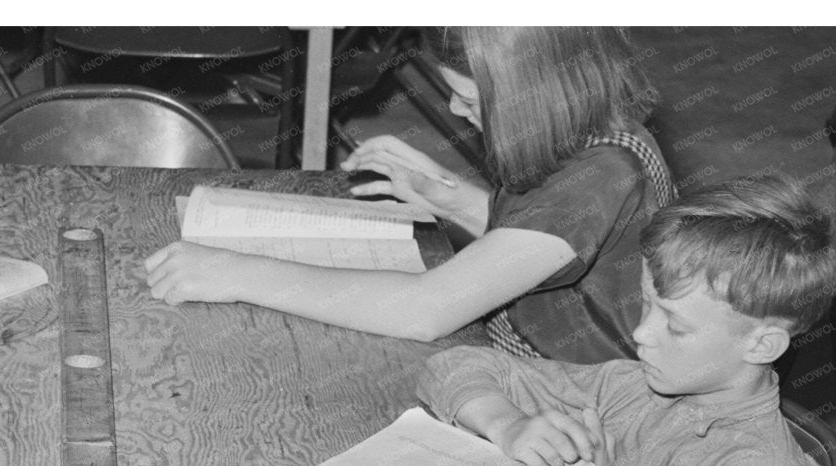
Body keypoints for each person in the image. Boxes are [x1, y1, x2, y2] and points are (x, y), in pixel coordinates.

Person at [145, 27, 670, 363]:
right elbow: (545, 238)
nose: (458, 112)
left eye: (469, 100)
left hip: (577, 389)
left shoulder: (601, 176)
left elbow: (424, 310)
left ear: (536, 98)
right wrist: (449, 197)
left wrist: (237, 272)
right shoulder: (601, 131)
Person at [417, 175, 832, 466]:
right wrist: (506, 424)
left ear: (762, 345)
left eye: (676, 326)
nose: (640, 333)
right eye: (646, 304)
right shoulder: (633, 387)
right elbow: (451, 366)